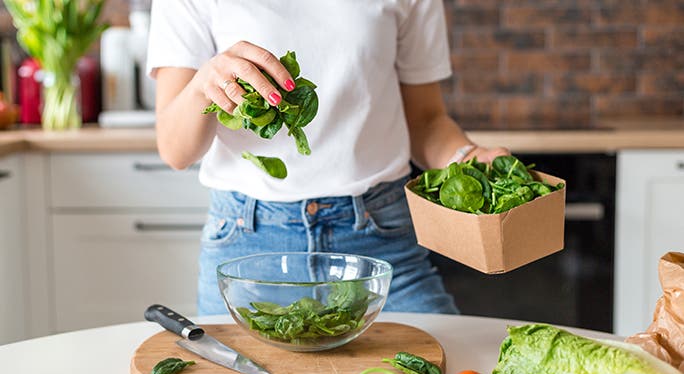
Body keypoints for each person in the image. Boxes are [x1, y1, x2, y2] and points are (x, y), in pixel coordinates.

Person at [147, 0, 509, 316]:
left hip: (380, 239)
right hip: (249, 244)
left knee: (449, 367)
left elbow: (426, 121)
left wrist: (468, 157)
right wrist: (203, 85)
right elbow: (175, 150)